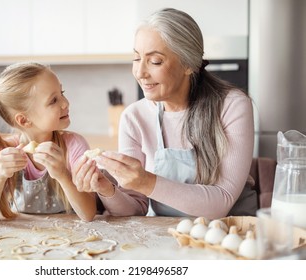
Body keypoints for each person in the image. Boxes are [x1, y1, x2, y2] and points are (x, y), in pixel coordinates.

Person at [73, 8, 256, 219]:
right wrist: (106, 189)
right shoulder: (134, 117)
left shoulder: (232, 106)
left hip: (231, 237)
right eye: (136, 58)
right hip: (167, 240)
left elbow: (221, 202)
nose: (140, 73)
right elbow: (136, 208)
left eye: (155, 61)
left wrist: (146, 182)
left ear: (188, 64)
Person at [0, 62, 96, 222]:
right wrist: (0, 173)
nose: (66, 103)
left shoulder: (74, 146)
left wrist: (62, 174)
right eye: (53, 100)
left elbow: (88, 214)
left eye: (62, 93)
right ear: (24, 120)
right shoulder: (6, 152)